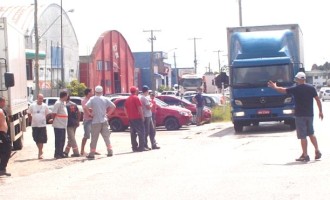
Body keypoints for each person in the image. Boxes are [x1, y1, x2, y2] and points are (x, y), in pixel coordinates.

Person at [268, 72, 323, 162]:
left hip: (300, 115)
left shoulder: (295, 88)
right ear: (304, 79)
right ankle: (317, 150)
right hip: (310, 115)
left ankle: (305, 155)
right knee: (311, 133)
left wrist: (275, 87)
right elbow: (317, 100)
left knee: (303, 136)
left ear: (298, 79)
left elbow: (283, 90)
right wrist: (320, 111)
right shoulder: (311, 88)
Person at [85, 85, 116, 159]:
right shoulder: (105, 99)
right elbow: (114, 106)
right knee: (106, 137)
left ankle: (92, 153)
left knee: (94, 138)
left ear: (95, 91)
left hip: (96, 121)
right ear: (102, 91)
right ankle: (110, 151)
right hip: (104, 120)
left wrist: (89, 114)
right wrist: (108, 114)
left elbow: (85, 107)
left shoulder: (92, 99)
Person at [124, 86, 148, 152]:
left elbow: (125, 109)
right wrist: (142, 117)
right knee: (141, 132)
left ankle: (134, 147)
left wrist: (128, 116)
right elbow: (139, 108)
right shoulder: (136, 98)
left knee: (133, 133)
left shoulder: (128, 99)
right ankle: (141, 147)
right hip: (137, 118)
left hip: (131, 118)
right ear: (136, 91)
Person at [27, 94, 50, 159]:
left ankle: (40, 152)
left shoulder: (45, 106)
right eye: (39, 98)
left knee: (41, 139)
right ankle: (40, 150)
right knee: (36, 139)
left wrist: (45, 119)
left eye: (42, 98)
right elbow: (29, 113)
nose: (41, 100)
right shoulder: (32, 106)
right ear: (37, 98)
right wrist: (31, 120)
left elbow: (48, 114)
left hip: (42, 125)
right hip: (35, 125)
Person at [50, 91, 68, 159]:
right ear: (64, 96)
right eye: (67, 96)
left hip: (63, 125)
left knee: (62, 140)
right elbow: (54, 113)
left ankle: (61, 153)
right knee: (58, 140)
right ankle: (57, 154)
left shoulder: (63, 103)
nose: (67, 97)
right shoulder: (58, 103)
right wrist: (53, 120)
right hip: (58, 124)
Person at [81, 88, 99, 156]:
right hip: (87, 120)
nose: (92, 93)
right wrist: (90, 111)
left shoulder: (92, 100)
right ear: (88, 93)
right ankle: (82, 150)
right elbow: (85, 108)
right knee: (86, 135)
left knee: (94, 136)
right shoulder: (84, 100)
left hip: (94, 120)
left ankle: (93, 150)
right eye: (91, 92)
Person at [0, 97, 11, 176]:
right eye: (4, 102)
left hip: (3, 133)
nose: (5, 104)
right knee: (7, 149)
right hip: (1, 134)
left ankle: (2, 169)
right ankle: (2, 168)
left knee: (3, 151)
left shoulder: (2, 110)